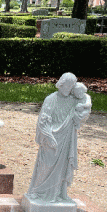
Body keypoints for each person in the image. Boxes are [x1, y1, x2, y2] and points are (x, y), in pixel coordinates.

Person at [26, 72, 86, 203]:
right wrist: (48, 136)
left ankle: (58, 193)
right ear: (61, 84)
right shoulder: (51, 99)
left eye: (72, 86)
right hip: (51, 137)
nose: (69, 89)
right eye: (67, 86)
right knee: (45, 165)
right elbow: (43, 121)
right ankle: (37, 190)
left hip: (66, 139)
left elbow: (85, 102)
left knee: (63, 166)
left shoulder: (73, 100)